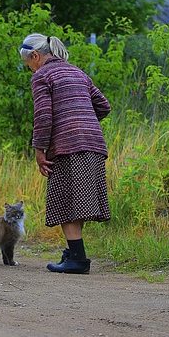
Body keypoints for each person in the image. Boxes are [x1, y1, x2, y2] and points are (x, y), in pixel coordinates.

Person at [20, 33, 111, 274]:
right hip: (93, 143)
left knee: (65, 199)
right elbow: (103, 105)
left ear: (36, 56)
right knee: (76, 201)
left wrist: (39, 150)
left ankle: (78, 260)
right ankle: (74, 254)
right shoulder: (77, 72)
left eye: (28, 63)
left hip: (67, 146)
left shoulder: (42, 76)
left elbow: (43, 117)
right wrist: (82, 120)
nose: (29, 69)